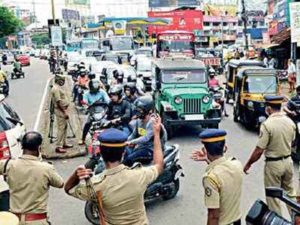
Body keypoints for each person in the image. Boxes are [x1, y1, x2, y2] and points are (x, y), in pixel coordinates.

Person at [64, 117, 164, 225]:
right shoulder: (139, 175)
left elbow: (68, 189)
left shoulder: (96, 185)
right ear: (122, 154)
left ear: (101, 153)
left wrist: (76, 174)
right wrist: (156, 133)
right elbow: (159, 165)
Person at [244, 95, 296, 216]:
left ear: (268, 108)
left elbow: (259, 150)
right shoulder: (290, 122)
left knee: (273, 199)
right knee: (290, 195)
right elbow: (292, 141)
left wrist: (248, 164)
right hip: (288, 162)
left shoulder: (267, 124)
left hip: (273, 165)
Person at [0, 131, 64, 225]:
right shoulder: (46, 168)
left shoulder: (8, 165)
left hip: (14, 221)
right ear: (39, 148)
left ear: (22, 147)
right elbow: (60, 184)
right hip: (37, 221)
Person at [191, 129, 243, 225]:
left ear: (205, 150)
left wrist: (208, 159)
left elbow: (213, 215)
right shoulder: (237, 164)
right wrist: (208, 159)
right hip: (237, 221)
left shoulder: (211, 178)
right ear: (224, 147)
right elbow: (222, 167)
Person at [123, 96, 167, 166]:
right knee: (123, 155)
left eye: (140, 110)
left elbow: (146, 138)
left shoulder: (153, 122)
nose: (138, 111)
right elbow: (134, 134)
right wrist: (125, 141)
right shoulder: (139, 120)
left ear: (149, 111)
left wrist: (132, 142)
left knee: (129, 160)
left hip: (152, 150)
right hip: (141, 147)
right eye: (137, 109)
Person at [78, 79, 110, 145]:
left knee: (109, 124)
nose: (95, 92)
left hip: (102, 112)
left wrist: (104, 105)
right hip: (92, 112)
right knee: (87, 123)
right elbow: (85, 103)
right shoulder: (86, 94)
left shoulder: (102, 92)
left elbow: (108, 101)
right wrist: (87, 107)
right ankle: (83, 138)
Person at [51, 75, 73, 153]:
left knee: (65, 127)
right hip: (61, 110)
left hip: (62, 110)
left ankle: (64, 143)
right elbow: (58, 101)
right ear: (59, 80)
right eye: (62, 81)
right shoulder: (56, 89)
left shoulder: (57, 88)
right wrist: (64, 112)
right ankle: (58, 146)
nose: (63, 82)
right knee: (61, 128)